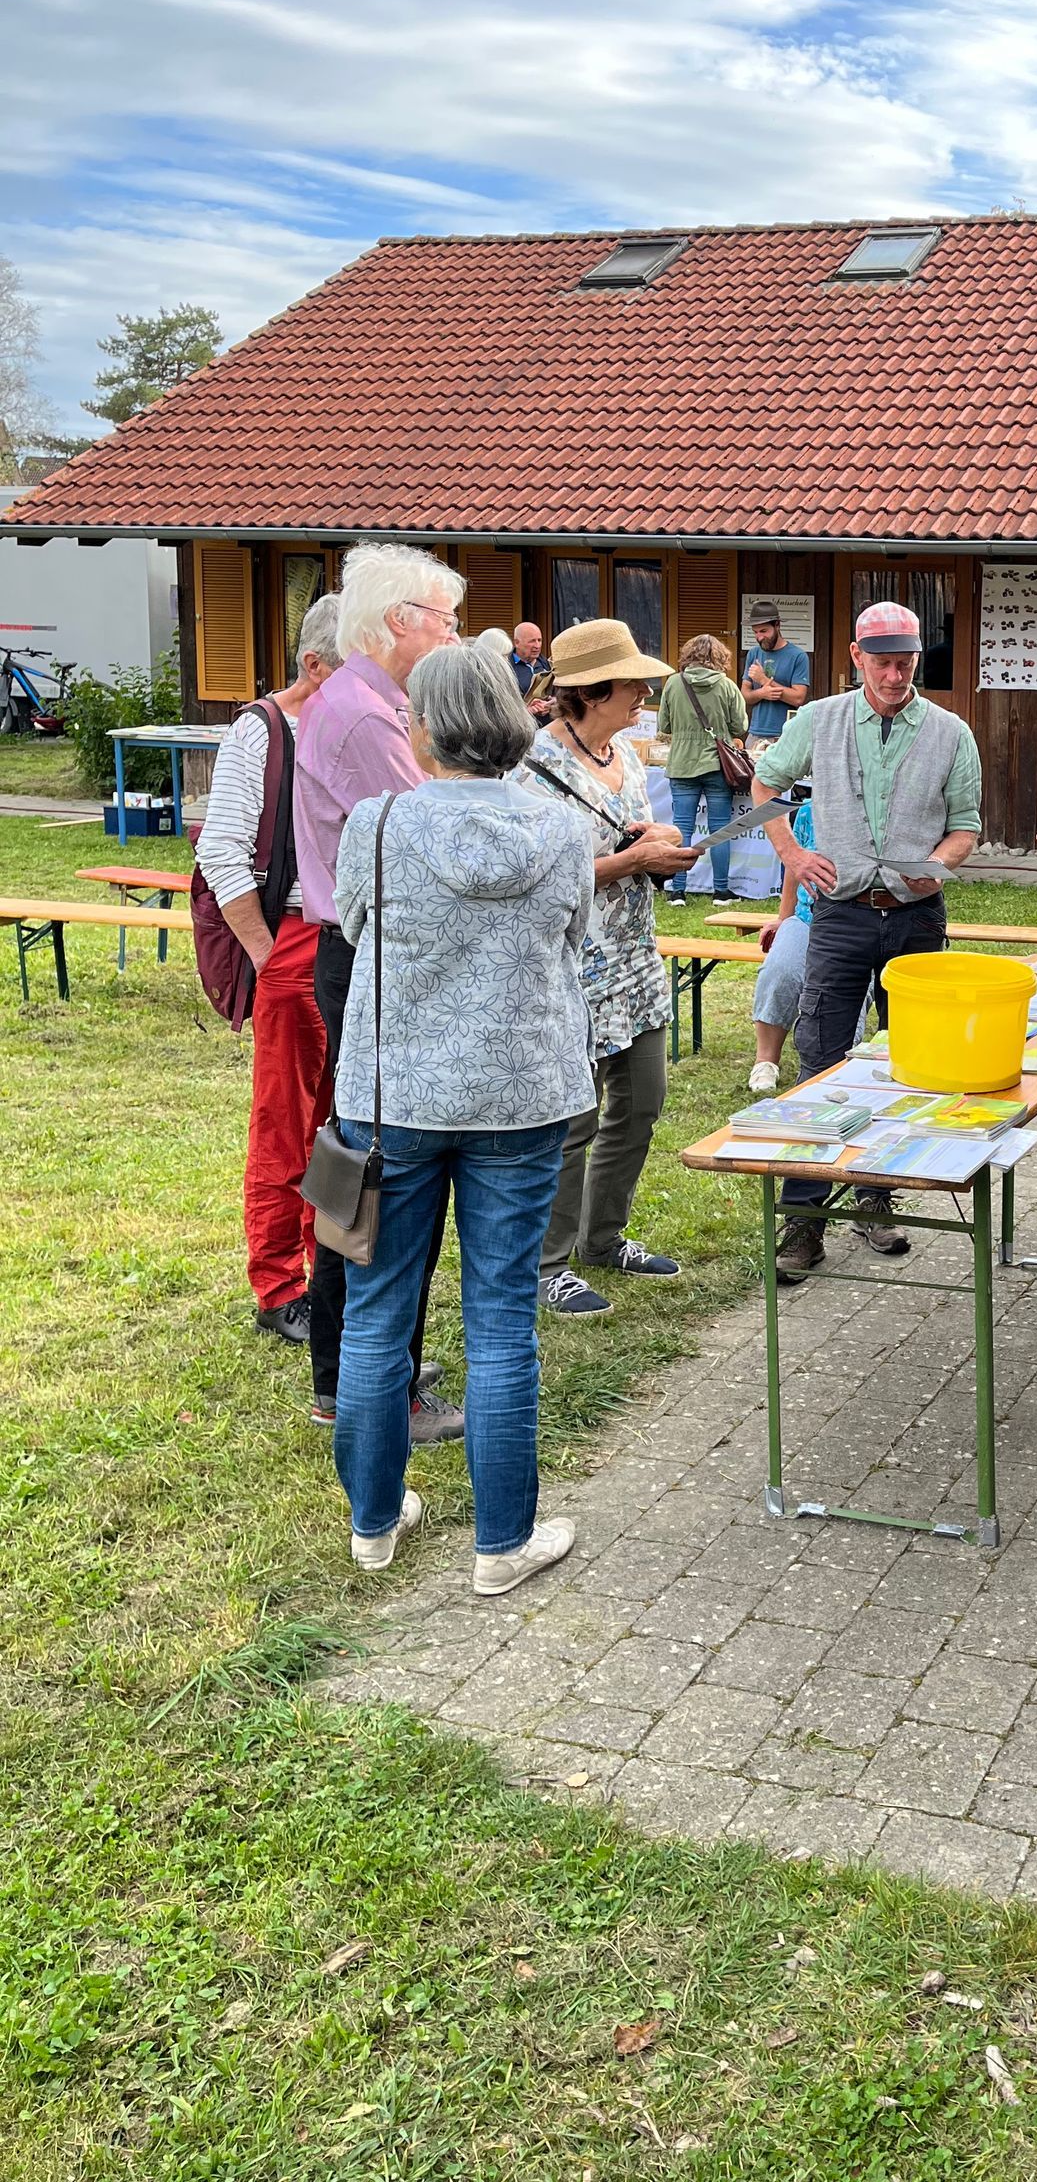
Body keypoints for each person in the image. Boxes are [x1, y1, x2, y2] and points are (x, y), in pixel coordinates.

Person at [329, 640, 593, 1593]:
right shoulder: (564, 828)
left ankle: (372, 1523)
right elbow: (575, 937)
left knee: (376, 1317)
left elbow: (351, 926)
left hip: (391, 1102)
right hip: (521, 1102)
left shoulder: (378, 823)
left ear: (426, 727)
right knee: (501, 1324)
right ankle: (501, 1545)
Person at [293, 540, 468, 1445]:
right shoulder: (367, 718)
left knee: (370, 1173)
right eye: (447, 621)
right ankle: (364, 1383)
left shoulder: (370, 702)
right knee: (381, 1182)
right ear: (400, 622)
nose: (454, 636)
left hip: (363, 953)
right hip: (369, 958)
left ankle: (365, 1365)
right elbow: (437, 840)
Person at [753, 601, 981, 1280]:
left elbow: (966, 825)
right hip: (840, 915)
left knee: (908, 1059)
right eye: (881, 662)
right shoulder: (817, 720)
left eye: (905, 662)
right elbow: (765, 783)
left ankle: (875, 1198)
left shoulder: (950, 732)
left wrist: (937, 865)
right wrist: (793, 855)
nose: (894, 675)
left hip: (916, 918)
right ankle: (804, 1219)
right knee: (821, 1059)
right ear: (856, 656)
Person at [516, 619, 698, 1316]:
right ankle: (548, 1266)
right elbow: (537, 879)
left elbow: (639, 832)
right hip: (571, 967)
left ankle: (602, 1237)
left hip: (633, 958)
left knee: (643, 1101)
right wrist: (630, 860)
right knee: (573, 1121)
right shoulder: (532, 768)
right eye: (633, 686)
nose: (645, 695)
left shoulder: (623, 751)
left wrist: (660, 841)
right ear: (592, 692)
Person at [197, 592, 341, 1344]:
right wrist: (266, 953)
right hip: (291, 936)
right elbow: (220, 852)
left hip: (343, 939)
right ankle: (280, 1285)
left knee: (339, 1119)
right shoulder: (261, 731)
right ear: (315, 664)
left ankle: (331, 1270)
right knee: (286, 1121)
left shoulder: (358, 728)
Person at [657, 633, 749, 903]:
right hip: (717, 765)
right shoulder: (727, 686)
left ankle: (677, 891)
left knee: (682, 829)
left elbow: (664, 725)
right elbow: (740, 726)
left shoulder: (674, 683)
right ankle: (721, 891)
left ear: (688, 655)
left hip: (682, 764)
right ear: (720, 658)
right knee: (719, 829)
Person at [748, 785, 814, 1092]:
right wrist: (784, 918)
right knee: (779, 970)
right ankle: (766, 1061)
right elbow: (793, 867)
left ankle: (835, 1062)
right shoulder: (809, 812)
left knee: (849, 983)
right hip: (806, 916)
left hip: (855, 921)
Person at [742, 599, 810, 749]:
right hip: (755, 733)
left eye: (764, 631)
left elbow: (798, 698)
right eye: (755, 632)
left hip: (786, 734)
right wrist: (761, 693)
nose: (759, 637)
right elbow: (745, 695)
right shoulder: (753, 654)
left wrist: (764, 680)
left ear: (777, 625)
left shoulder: (798, 656)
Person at [508, 622, 545, 698]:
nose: (537, 646)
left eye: (539, 640)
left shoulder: (547, 664)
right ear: (516, 643)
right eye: (532, 641)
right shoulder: (506, 668)